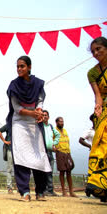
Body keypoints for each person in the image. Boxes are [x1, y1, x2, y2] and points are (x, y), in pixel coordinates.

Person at [6, 55, 51, 202]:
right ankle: (24, 191)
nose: (19, 69)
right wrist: (32, 113)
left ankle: (40, 191)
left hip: (34, 123)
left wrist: (39, 111)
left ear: (29, 67)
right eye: (17, 66)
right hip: (19, 123)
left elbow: (40, 100)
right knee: (21, 157)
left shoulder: (38, 84)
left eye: (22, 66)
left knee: (38, 155)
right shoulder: (14, 85)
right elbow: (17, 107)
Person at [86, 36, 107, 202]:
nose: (95, 53)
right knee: (101, 144)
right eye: (93, 51)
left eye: (98, 49)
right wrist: (98, 108)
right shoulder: (92, 73)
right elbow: (98, 96)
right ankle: (99, 184)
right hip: (105, 112)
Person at [55, 117, 77, 197]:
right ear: (56, 122)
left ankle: (71, 191)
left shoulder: (65, 131)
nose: (62, 123)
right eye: (60, 121)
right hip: (60, 152)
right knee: (62, 171)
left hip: (67, 152)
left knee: (69, 170)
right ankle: (64, 191)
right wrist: (55, 149)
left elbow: (68, 141)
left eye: (63, 121)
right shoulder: (54, 130)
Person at [42, 110, 60, 196]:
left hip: (50, 152)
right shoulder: (40, 126)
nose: (44, 116)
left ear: (48, 117)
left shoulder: (51, 127)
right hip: (42, 151)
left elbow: (58, 135)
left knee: (50, 171)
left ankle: (50, 190)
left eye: (46, 115)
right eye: (43, 115)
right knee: (43, 171)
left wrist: (54, 143)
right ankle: (44, 189)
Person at [0, 124, 14, 194]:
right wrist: (5, 141)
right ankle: (9, 188)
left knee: (19, 169)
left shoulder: (21, 124)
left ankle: (21, 187)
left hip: (19, 150)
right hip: (10, 149)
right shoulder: (9, 125)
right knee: (9, 169)